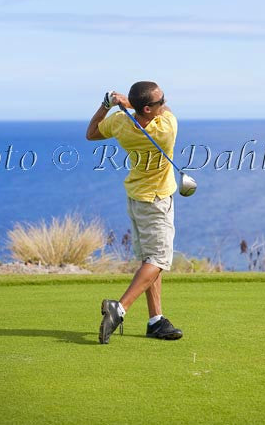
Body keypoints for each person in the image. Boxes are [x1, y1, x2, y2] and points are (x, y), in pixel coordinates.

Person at [86, 81, 182, 344]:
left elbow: (92, 133)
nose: (165, 103)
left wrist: (107, 105)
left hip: (136, 199)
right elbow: (167, 112)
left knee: (149, 260)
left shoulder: (120, 123)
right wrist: (130, 104)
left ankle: (156, 321)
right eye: (161, 100)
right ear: (149, 108)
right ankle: (120, 308)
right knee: (159, 261)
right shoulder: (166, 128)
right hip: (157, 202)